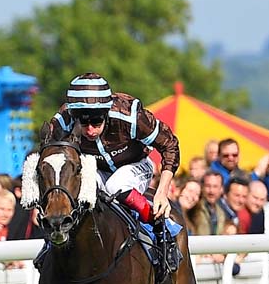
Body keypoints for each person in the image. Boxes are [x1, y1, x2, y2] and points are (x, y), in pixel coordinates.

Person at [41, 72, 181, 272]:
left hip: (135, 165)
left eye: (97, 122)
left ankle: (161, 230)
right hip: (94, 168)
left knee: (116, 185)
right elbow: (49, 159)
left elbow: (170, 145)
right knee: (77, 189)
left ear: (106, 113)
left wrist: (161, 192)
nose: (90, 130)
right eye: (84, 122)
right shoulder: (63, 121)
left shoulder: (129, 115)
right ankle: (51, 246)